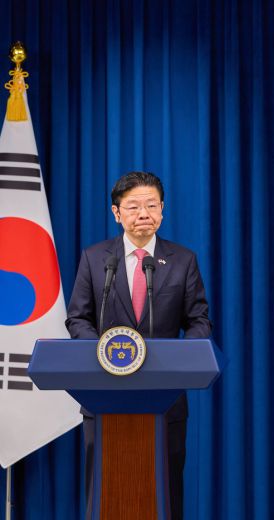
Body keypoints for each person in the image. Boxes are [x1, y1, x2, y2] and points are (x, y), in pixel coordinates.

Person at [66, 171, 211, 520]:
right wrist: (103, 356)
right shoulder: (96, 258)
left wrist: (180, 360)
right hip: (104, 397)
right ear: (117, 213)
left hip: (165, 400)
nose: (143, 213)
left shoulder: (183, 260)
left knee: (165, 494)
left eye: (152, 205)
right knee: (105, 493)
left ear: (163, 210)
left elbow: (199, 321)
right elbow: (78, 319)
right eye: (133, 206)